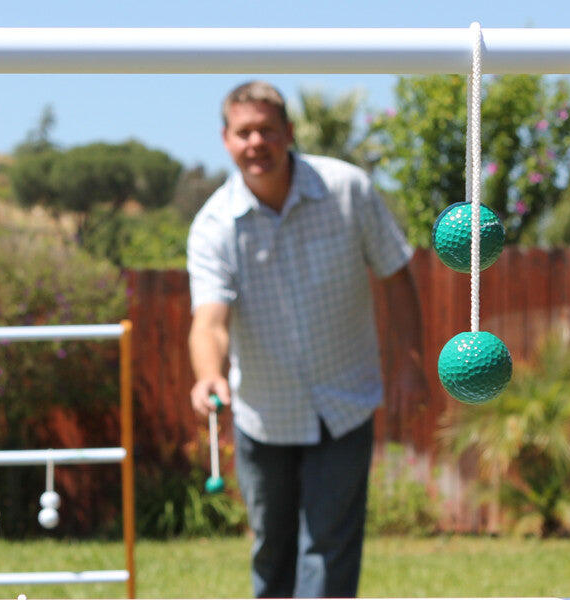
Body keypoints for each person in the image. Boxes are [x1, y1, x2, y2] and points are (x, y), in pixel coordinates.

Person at [186, 81, 429, 598]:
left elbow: (396, 275)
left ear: (289, 134)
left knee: (329, 549)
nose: (257, 143)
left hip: (345, 401)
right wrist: (209, 374)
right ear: (226, 140)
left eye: (267, 131)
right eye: (244, 132)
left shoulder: (348, 189)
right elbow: (209, 322)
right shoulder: (212, 227)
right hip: (263, 414)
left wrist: (410, 363)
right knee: (272, 552)